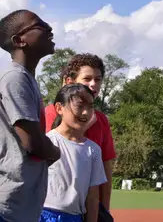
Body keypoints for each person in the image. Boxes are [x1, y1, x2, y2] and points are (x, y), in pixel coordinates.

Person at [0, 10, 61, 222]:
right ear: (20, 40)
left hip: (22, 205)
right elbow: (33, 143)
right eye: (40, 24)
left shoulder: (26, 79)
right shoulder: (15, 78)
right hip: (9, 204)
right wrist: (55, 152)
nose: (49, 28)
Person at [44, 54, 117, 212]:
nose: (93, 84)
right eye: (87, 78)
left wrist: (105, 209)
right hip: (52, 208)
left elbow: (105, 167)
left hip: (87, 207)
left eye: (98, 79)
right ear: (70, 81)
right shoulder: (49, 114)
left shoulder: (101, 120)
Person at [41, 84, 107, 222]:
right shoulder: (47, 142)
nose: (86, 112)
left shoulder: (93, 150)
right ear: (59, 108)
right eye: (80, 106)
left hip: (75, 217)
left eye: (90, 106)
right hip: (42, 215)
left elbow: (93, 197)